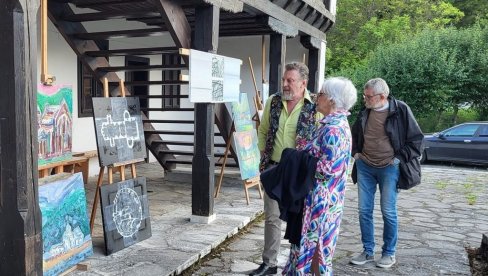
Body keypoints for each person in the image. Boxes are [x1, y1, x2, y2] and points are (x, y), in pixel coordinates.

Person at [276, 77, 357, 275]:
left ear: (332, 99)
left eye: (320, 94)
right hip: (325, 201)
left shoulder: (334, 129)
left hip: (320, 203)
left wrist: (295, 157)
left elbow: (325, 169)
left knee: (314, 251)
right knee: (315, 251)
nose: (316, 98)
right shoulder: (335, 124)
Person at [250, 62, 320, 276]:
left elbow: (320, 138)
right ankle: (269, 264)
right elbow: (263, 131)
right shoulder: (274, 101)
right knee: (271, 217)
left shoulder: (315, 105)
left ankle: (294, 263)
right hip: (274, 168)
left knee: (297, 219)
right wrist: (262, 153)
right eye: (284, 80)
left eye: (290, 80)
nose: (286, 84)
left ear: (303, 83)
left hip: (299, 173)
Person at [350, 78, 424, 268]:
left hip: (389, 168)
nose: (364, 99)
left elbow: (416, 140)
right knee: (364, 211)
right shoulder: (365, 111)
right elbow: (354, 134)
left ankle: (389, 253)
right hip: (365, 166)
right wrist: (356, 153)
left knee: (388, 211)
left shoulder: (400, 110)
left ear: (382, 96)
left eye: (368, 96)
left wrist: (398, 158)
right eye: (364, 95)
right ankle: (367, 251)